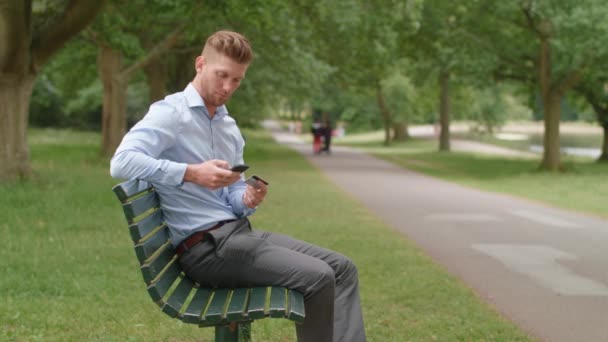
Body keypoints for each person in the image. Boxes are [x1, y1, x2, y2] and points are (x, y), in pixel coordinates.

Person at [110, 30, 366, 342]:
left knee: (343, 268)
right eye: (222, 76)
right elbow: (121, 162)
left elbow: (232, 197)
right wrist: (191, 173)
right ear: (201, 64)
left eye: (237, 80)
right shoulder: (170, 113)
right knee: (318, 277)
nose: (228, 87)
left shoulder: (227, 126)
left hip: (238, 236)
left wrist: (246, 197)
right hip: (206, 250)